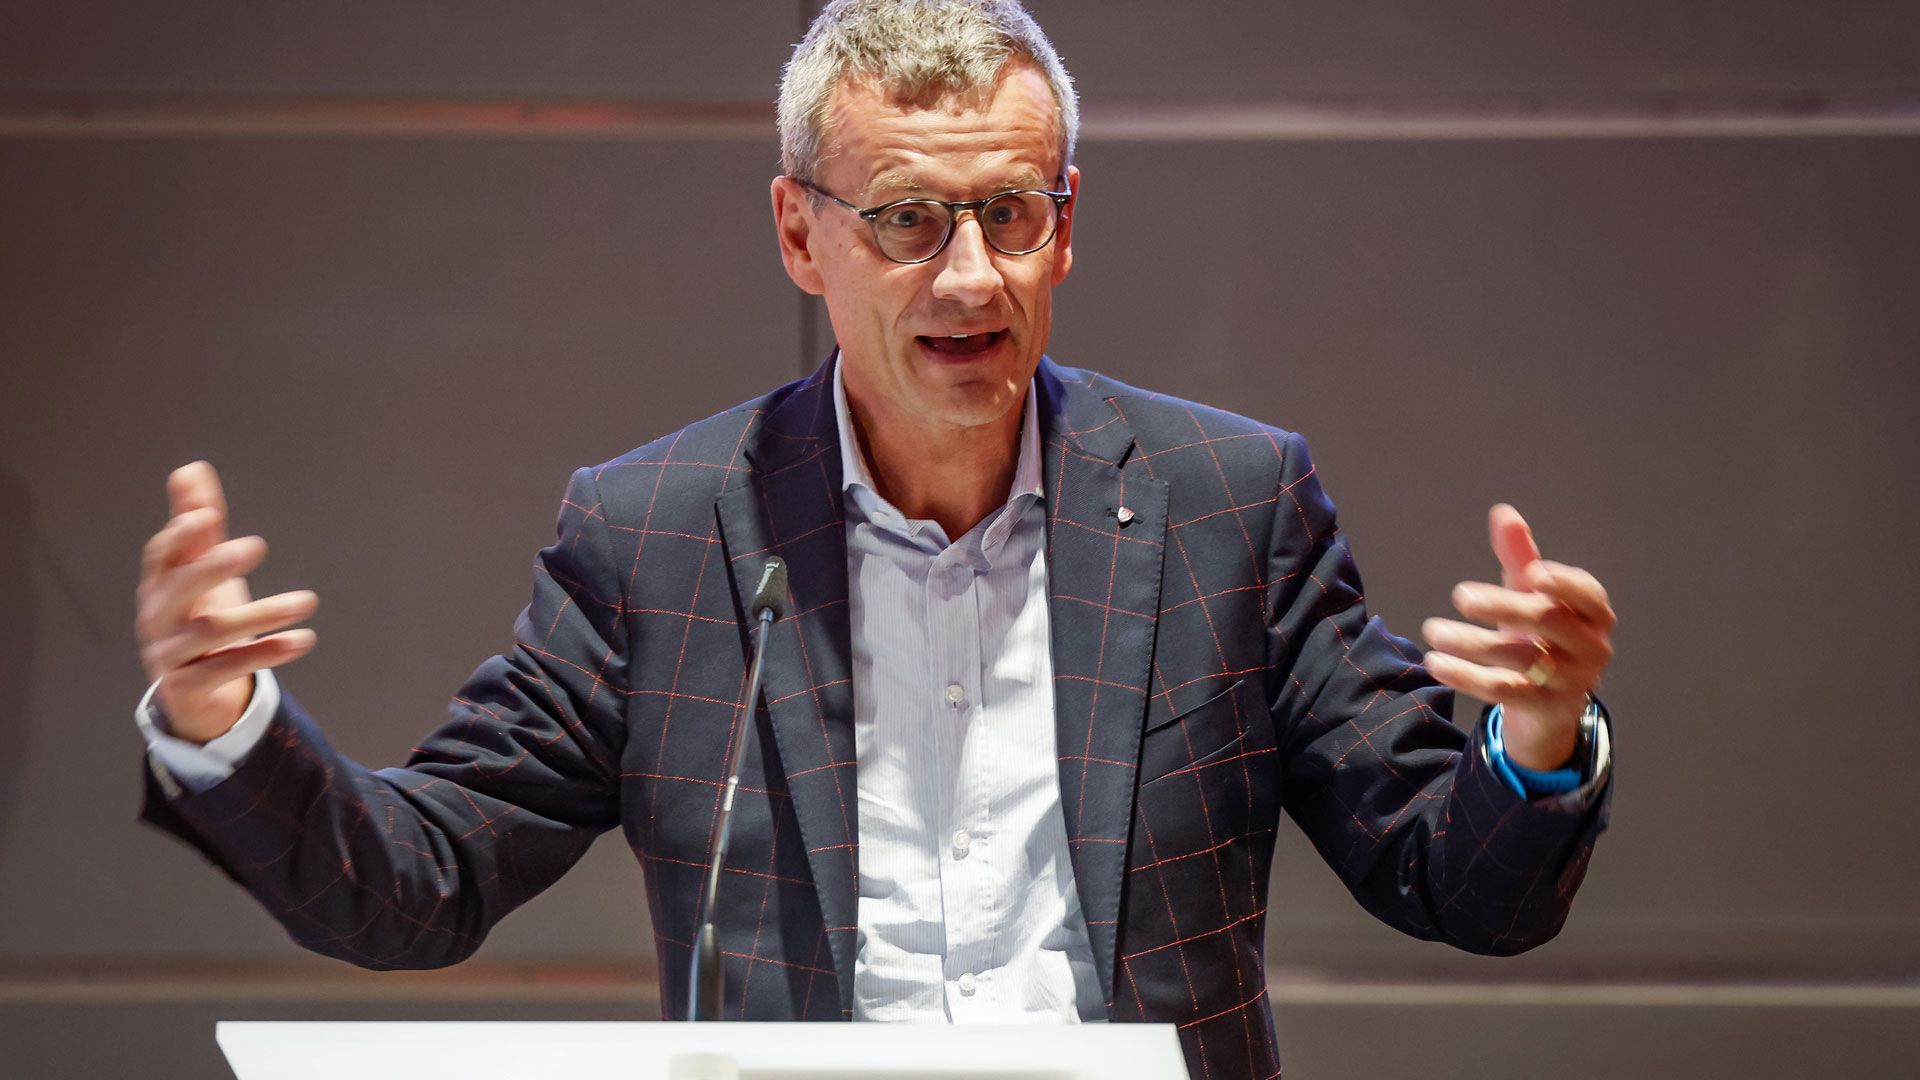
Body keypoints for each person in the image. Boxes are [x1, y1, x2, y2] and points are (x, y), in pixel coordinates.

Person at [132, 2, 1616, 1076]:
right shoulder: (660, 537)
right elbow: (417, 886)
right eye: (906, 219)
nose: (970, 275)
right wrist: (222, 721)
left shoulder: (1228, 505)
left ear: (1066, 222)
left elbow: (1456, 886)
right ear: (801, 234)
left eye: (1010, 212)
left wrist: (1538, 738)